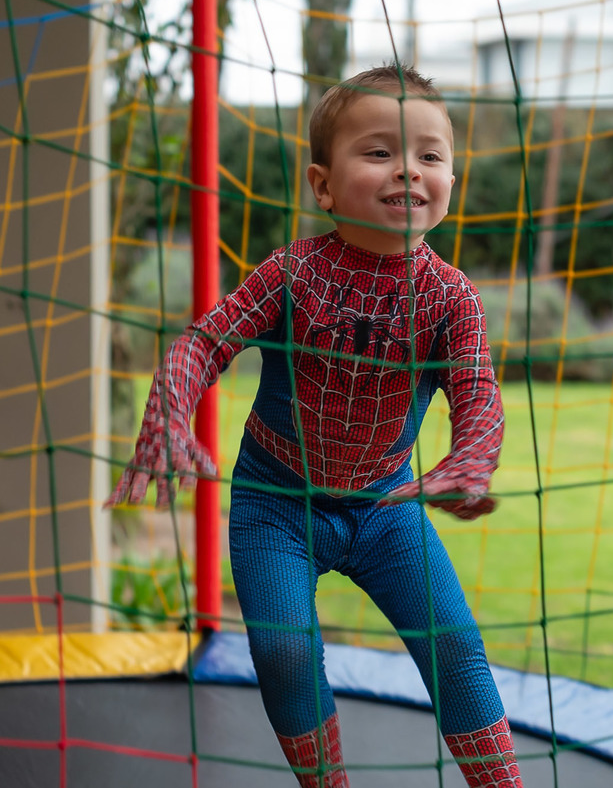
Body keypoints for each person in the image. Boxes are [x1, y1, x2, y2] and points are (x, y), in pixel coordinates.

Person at [107, 64, 523, 788]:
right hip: (277, 501)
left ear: (452, 178)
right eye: (380, 152)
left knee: (456, 649)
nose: (409, 170)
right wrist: (169, 413)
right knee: (285, 651)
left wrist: (471, 457)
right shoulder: (292, 272)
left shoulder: (452, 297)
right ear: (322, 185)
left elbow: (478, 392)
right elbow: (203, 343)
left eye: (429, 155)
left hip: (386, 505)